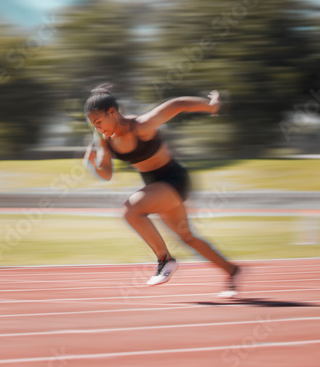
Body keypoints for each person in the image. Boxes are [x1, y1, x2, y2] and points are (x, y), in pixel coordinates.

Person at [82, 84, 241, 297]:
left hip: (174, 179)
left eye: (99, 122)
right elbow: (106, 173)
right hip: (156, 188)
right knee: (187, 237)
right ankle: (232, 270)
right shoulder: (107, 141)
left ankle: (165, 260)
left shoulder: (141, 126)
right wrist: (92, 163)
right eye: (93, 125)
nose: (97, 128)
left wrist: (212, 107)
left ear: (112, 112)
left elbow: (178, 105)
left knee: (131, 211)